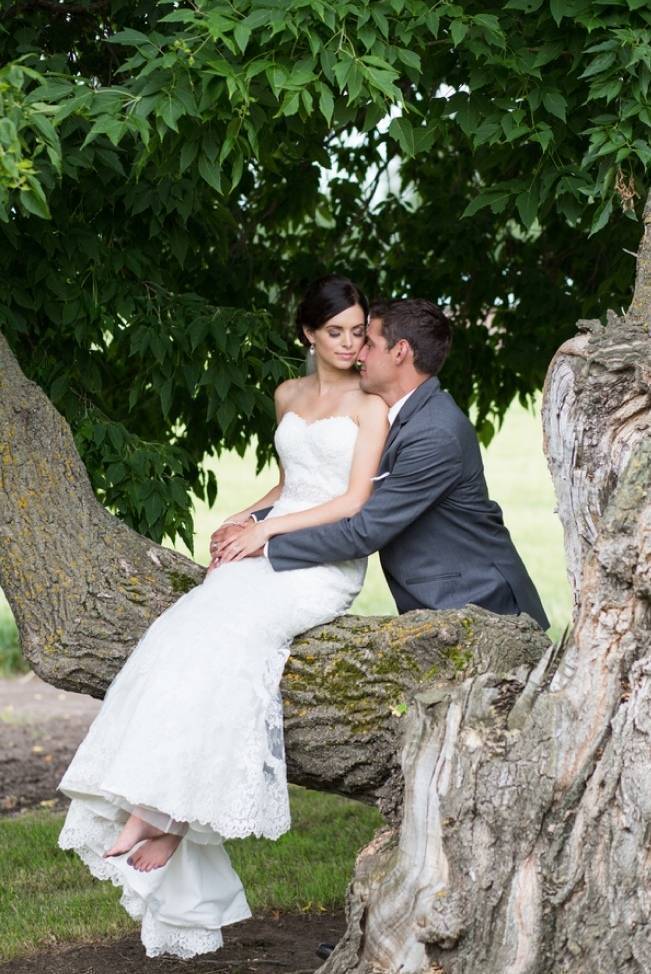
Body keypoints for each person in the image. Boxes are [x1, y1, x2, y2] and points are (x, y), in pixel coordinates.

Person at [56, 274, 389, 959]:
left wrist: (268, 534)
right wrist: (249, 512)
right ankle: (156, 808)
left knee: (235, 643)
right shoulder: (288, 395)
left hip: (322, 564)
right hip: (276, 540)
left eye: (359, 331)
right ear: (306, 334)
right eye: (336, 332)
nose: (351, 344)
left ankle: (168, 814)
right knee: (179, 635)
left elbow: (353, 501)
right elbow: (291, 483)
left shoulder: (371, 405)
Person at [214, 299, 549, 632]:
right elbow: (322, 486)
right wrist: (250, 522)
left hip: (484, 606)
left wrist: (266, 544)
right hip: (443, 603)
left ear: (400, 351)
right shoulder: (402, 415)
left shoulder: (434, 433)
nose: (358, 354)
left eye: (369, 344)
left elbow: (365, 531)